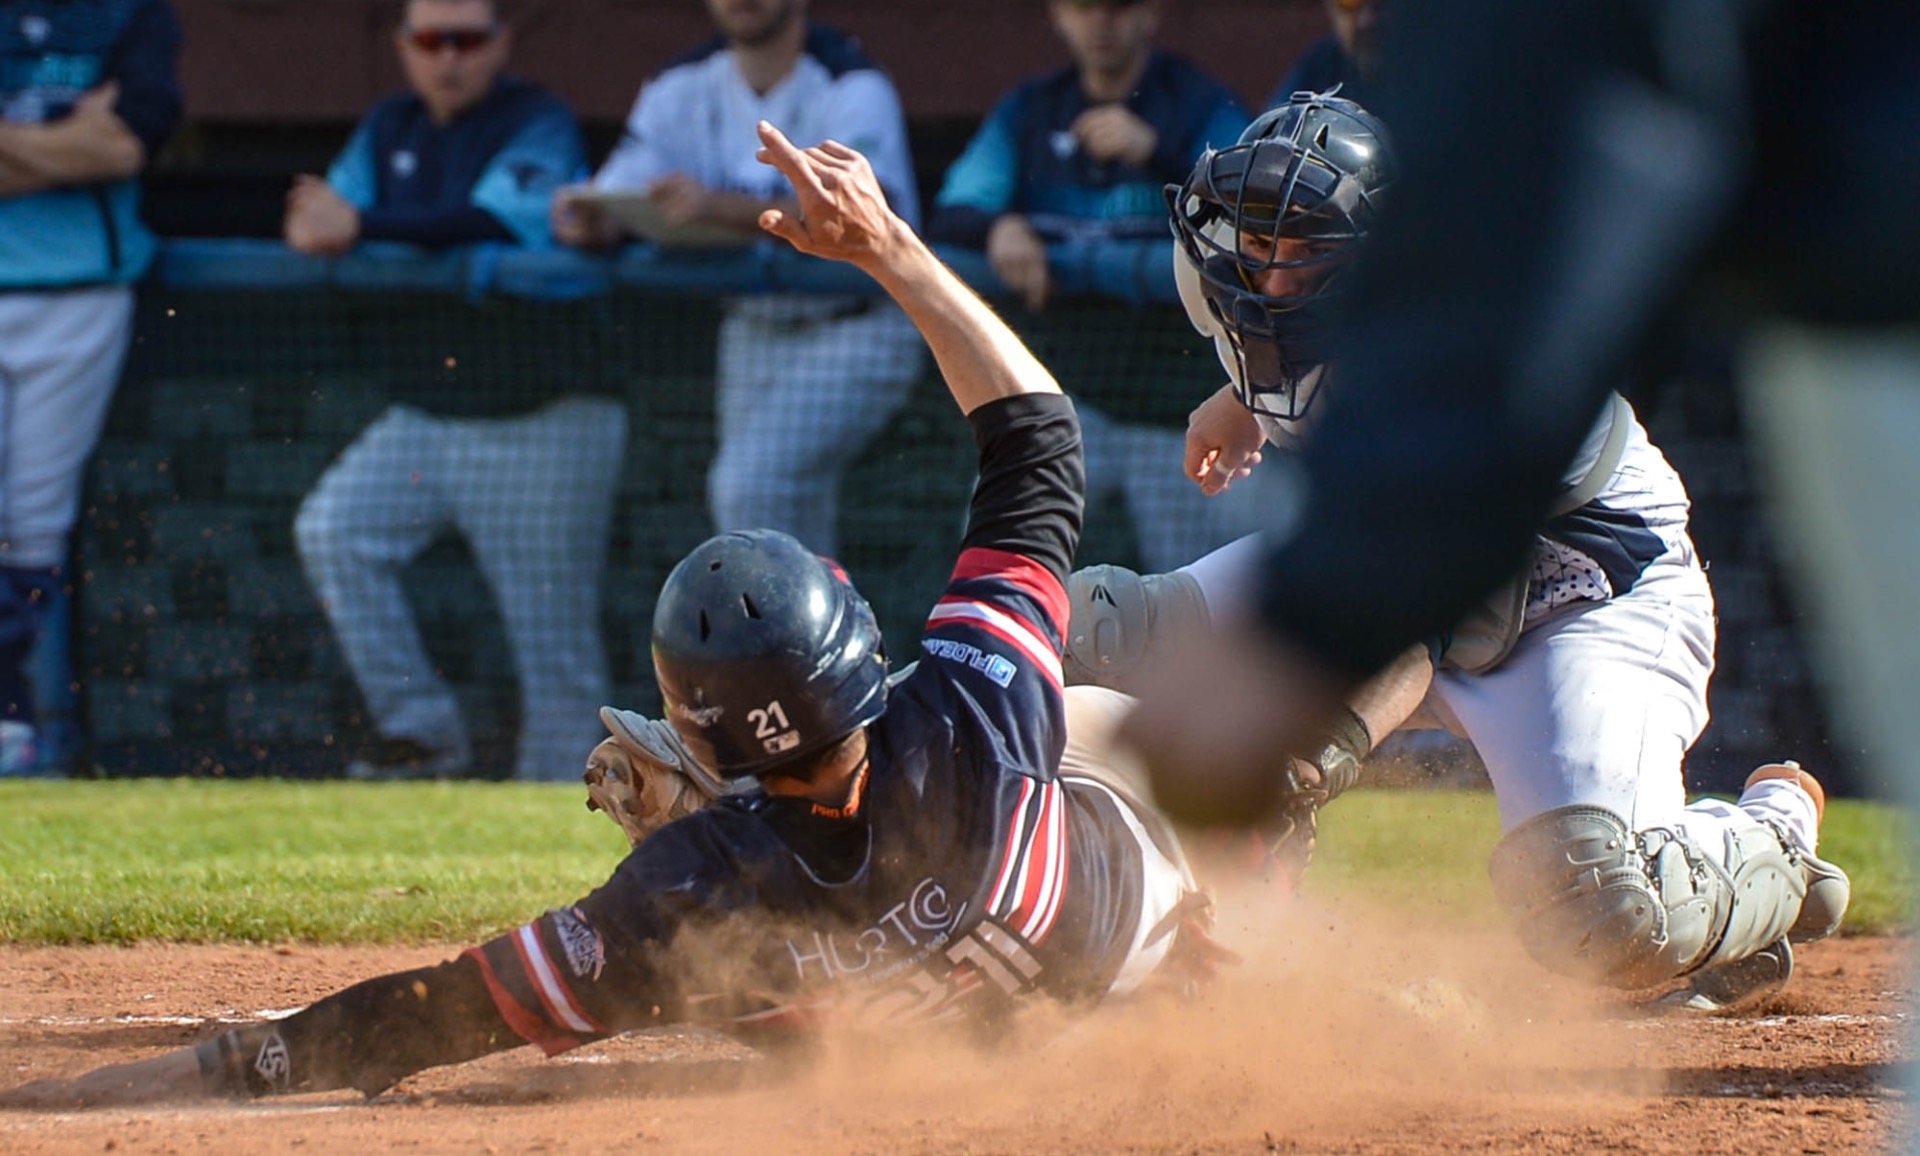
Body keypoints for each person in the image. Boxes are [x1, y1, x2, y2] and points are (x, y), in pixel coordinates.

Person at [0, 122, 1220, 1110]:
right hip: (1135, 934)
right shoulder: (972, 718)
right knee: (1083, 641)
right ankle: (1291, 795)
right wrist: (891, 248)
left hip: (929, 1052)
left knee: (742, 969)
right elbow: (1037, 439)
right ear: (856, 657)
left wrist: (181, 1077)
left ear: (708, 737)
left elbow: (430, 1015)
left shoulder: (689, 893)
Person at [1065, 92, 1851, 1012]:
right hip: (1408, 591)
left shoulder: (1468, 364)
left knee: (1602, 907)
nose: (1268, 279)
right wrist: (1238, 403)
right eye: (1258, 245)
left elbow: (1414, 614)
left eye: (1305, 249)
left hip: (1588, 607)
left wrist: (1301, 757)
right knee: (1090, 630)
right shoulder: (1314, 330)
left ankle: (1771, 833)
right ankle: (997, 865)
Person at [287, 0, 621, 782]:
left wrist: (363, 227)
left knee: (552, 642)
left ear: (500, 43)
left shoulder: (536, 119)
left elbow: (495, 222)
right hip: (430, 416)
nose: (448, 58)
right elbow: (326, 217)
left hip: (545, 418)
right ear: (404, 46)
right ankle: (421, 733)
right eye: (431, 40)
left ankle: (563, 814)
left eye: (467, 40)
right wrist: (327, 222)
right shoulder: (389, 125)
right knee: (334, 529)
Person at [550, 0, 923, 560]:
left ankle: (803, 617)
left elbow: (859, 213)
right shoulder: (681, 83)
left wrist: (717, 206)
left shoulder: (851, 80)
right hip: (753, 324)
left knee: (749, 487)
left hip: (859, 320)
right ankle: (827, 619)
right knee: (783, 520)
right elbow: (617, 194)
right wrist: (593, 221)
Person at [927, 0, 1254, 574]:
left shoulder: (1198, 103)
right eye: (1084, 6)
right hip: (1071, 404)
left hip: (1180, 414)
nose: (1102, 21)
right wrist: (996, 227)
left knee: (1194, 584)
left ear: (1149, 13)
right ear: (1060, 14)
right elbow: (955, 207)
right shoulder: (1032, 109)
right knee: (998, 546)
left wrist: (1159, 154)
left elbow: (1254, 209)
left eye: (1119, 6)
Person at [0, 0, 182, 778]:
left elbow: (119, 147)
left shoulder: (130, 13)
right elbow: (87, 145)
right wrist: (64, 144)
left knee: (32, 525)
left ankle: (13, 714)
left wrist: (76, 147)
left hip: (80, 294)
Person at [1264, 0, 1384, 111]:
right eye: (1351, 3)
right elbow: (1277, 119)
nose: (1366, 20)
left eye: (1381, 4)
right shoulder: (1318, 69)